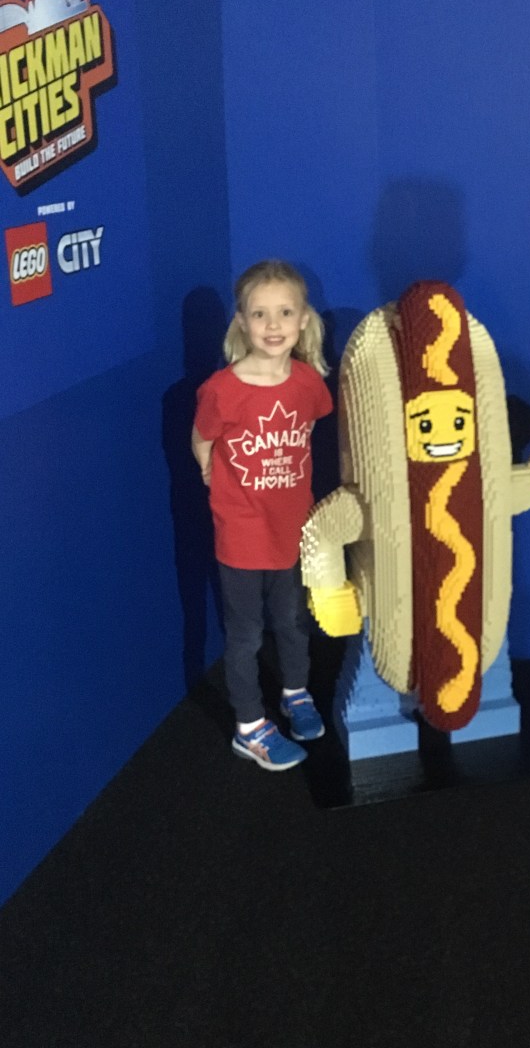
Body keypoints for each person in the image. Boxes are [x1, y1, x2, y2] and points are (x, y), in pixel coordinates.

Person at [192, 260, 333, 770]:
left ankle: (296, 693)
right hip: (242, 537)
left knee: (294, 622)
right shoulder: (221, 389)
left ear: (303, 320)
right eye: (259, 314)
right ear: (241, 322)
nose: (273, 325)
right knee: (247, 635)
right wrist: (211, 475)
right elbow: (202, 439)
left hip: (292, 532)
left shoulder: (308, 382)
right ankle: (249, 727)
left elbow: (308, 430)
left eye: (284, 313)